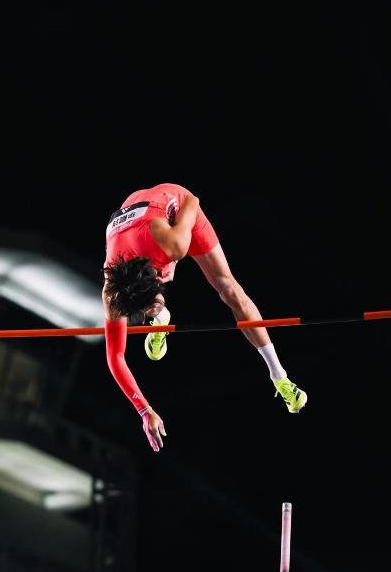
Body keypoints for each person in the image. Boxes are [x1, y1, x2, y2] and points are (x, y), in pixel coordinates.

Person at [102, 183, 307, 452]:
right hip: (138, 224)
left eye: (154, 301)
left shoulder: (173, 245)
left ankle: (279, 375)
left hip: (177, 204)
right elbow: (115, 357)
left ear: (159, 276)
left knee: (229, 289)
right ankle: (160, 318)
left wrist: (174, 257)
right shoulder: (113, 289)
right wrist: (144, 410)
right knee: (154, 299)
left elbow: (193, 201)